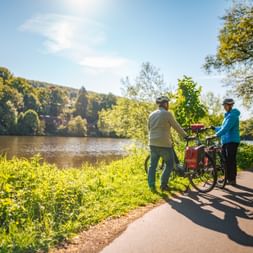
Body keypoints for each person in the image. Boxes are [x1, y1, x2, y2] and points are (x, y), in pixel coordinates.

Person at [148, 96, 187, 191]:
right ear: (165, 104)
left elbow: (149, 128)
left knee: (152, 165)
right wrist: (185, 135)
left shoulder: (151, 115)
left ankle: (151, 185)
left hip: (152, 143)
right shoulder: (167, 114)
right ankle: (163, 185)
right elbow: (176, 126)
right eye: (168, 103)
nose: (168, 105)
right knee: (169, 164)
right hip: (164, 144)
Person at [214, 98, 240, 186]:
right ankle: (226, 178)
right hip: (226, 141)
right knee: (224, 160)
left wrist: (216, 135)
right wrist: (214, 128)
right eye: (224, 105)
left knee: (230, 160)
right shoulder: (228, 115)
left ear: (230, 105)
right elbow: (223, 127)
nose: (224, 107)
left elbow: (226, 128)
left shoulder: (232, 115)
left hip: (232, 140)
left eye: (225, 105)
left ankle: (232, 179)